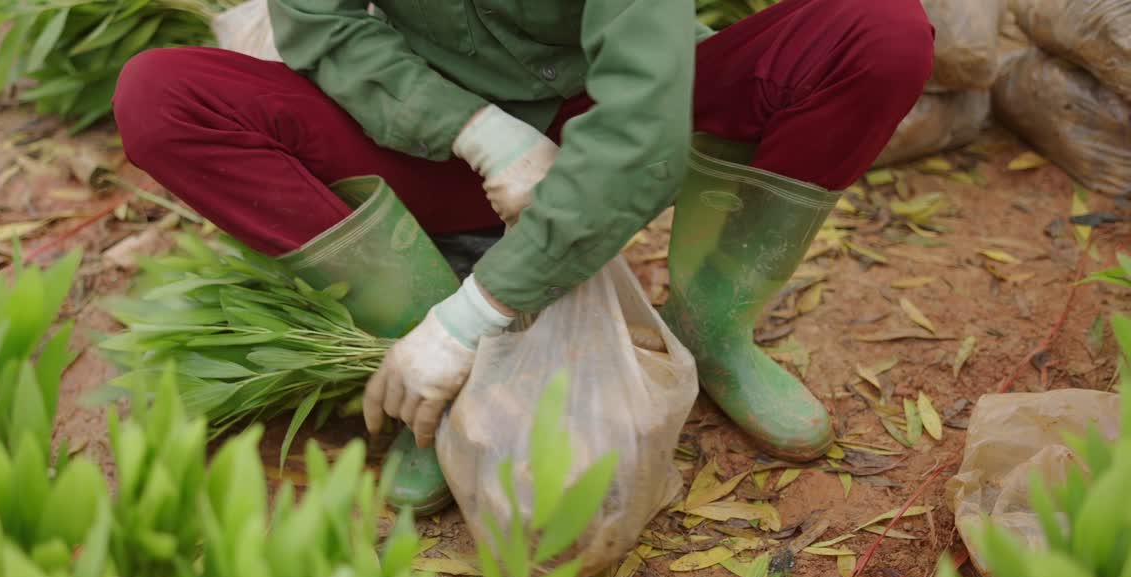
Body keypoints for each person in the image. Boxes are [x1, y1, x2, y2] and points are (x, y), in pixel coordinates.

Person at [113, 0, 934, 515]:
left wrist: (479, 311)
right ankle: (432, 374)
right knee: (160, 97)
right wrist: (479, 133)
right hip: (437, 140)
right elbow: (323, 26)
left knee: (880, 31)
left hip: (607, 131)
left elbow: (643, 131)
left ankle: (713, 328)